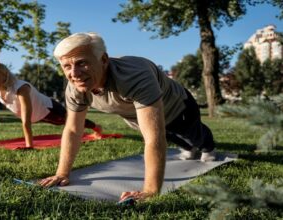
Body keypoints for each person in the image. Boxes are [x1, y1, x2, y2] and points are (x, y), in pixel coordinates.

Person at [39, 32, 216, 202]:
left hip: (179, 108)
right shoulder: (75, 88)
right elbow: (73, 130)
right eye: (67, 66)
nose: (74, 74)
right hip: (137, 118)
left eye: (82, 63)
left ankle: (207, 146)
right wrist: (62, 173)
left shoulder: (134, 75)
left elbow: (153, 137)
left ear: (103, 60)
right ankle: (190, 148)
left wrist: (150, 190)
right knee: (176, 141)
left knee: (194, 136)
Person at [0, 62, 102, 148]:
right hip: (36, 115)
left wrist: (29, 145)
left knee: (70, 121)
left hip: (49, 109)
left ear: (4, 76)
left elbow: (26, 118)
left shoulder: (21, 88)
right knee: (68, 122)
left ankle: (96, 127)